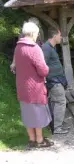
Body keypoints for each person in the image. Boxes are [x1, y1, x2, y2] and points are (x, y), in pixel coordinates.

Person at [14, 21, 54, 149]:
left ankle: (31, 140)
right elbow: (43, 70)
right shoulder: (34, 48)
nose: (37, 36)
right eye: (37, 33)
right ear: (33, 33)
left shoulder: (18, 47)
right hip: (34, 88)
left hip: (22, 86)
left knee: (27, 112)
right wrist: (47, 68)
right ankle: (40, 140)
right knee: (38, 113)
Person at [42, 27, 69, 134]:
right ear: (54, 36)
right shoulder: (46, 48)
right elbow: (42, 65)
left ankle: (55, 124)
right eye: (59, 35)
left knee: (55, 102)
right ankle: (57, 127)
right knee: (61, 101)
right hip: (54, 81)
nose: (61, 37)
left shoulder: (51, 47)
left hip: (57, 80)